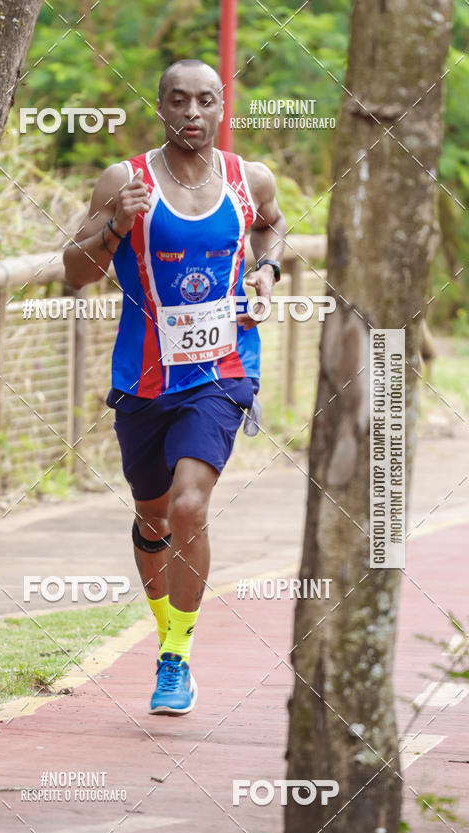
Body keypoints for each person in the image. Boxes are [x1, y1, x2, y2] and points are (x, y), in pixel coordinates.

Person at [63, 58, 286, 715]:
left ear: (222, 106)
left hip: (223, 370)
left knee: (190, 506)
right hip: (144, 379)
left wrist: (267, 271)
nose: (192, 112)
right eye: (179, 100)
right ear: (160, 106)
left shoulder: (249, 179)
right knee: (154, 514)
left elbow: (272, 224)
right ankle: (167, 633)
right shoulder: (124, 181)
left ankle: (177, 657)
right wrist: (115, 224)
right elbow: (74, 272)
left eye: (205, 100)